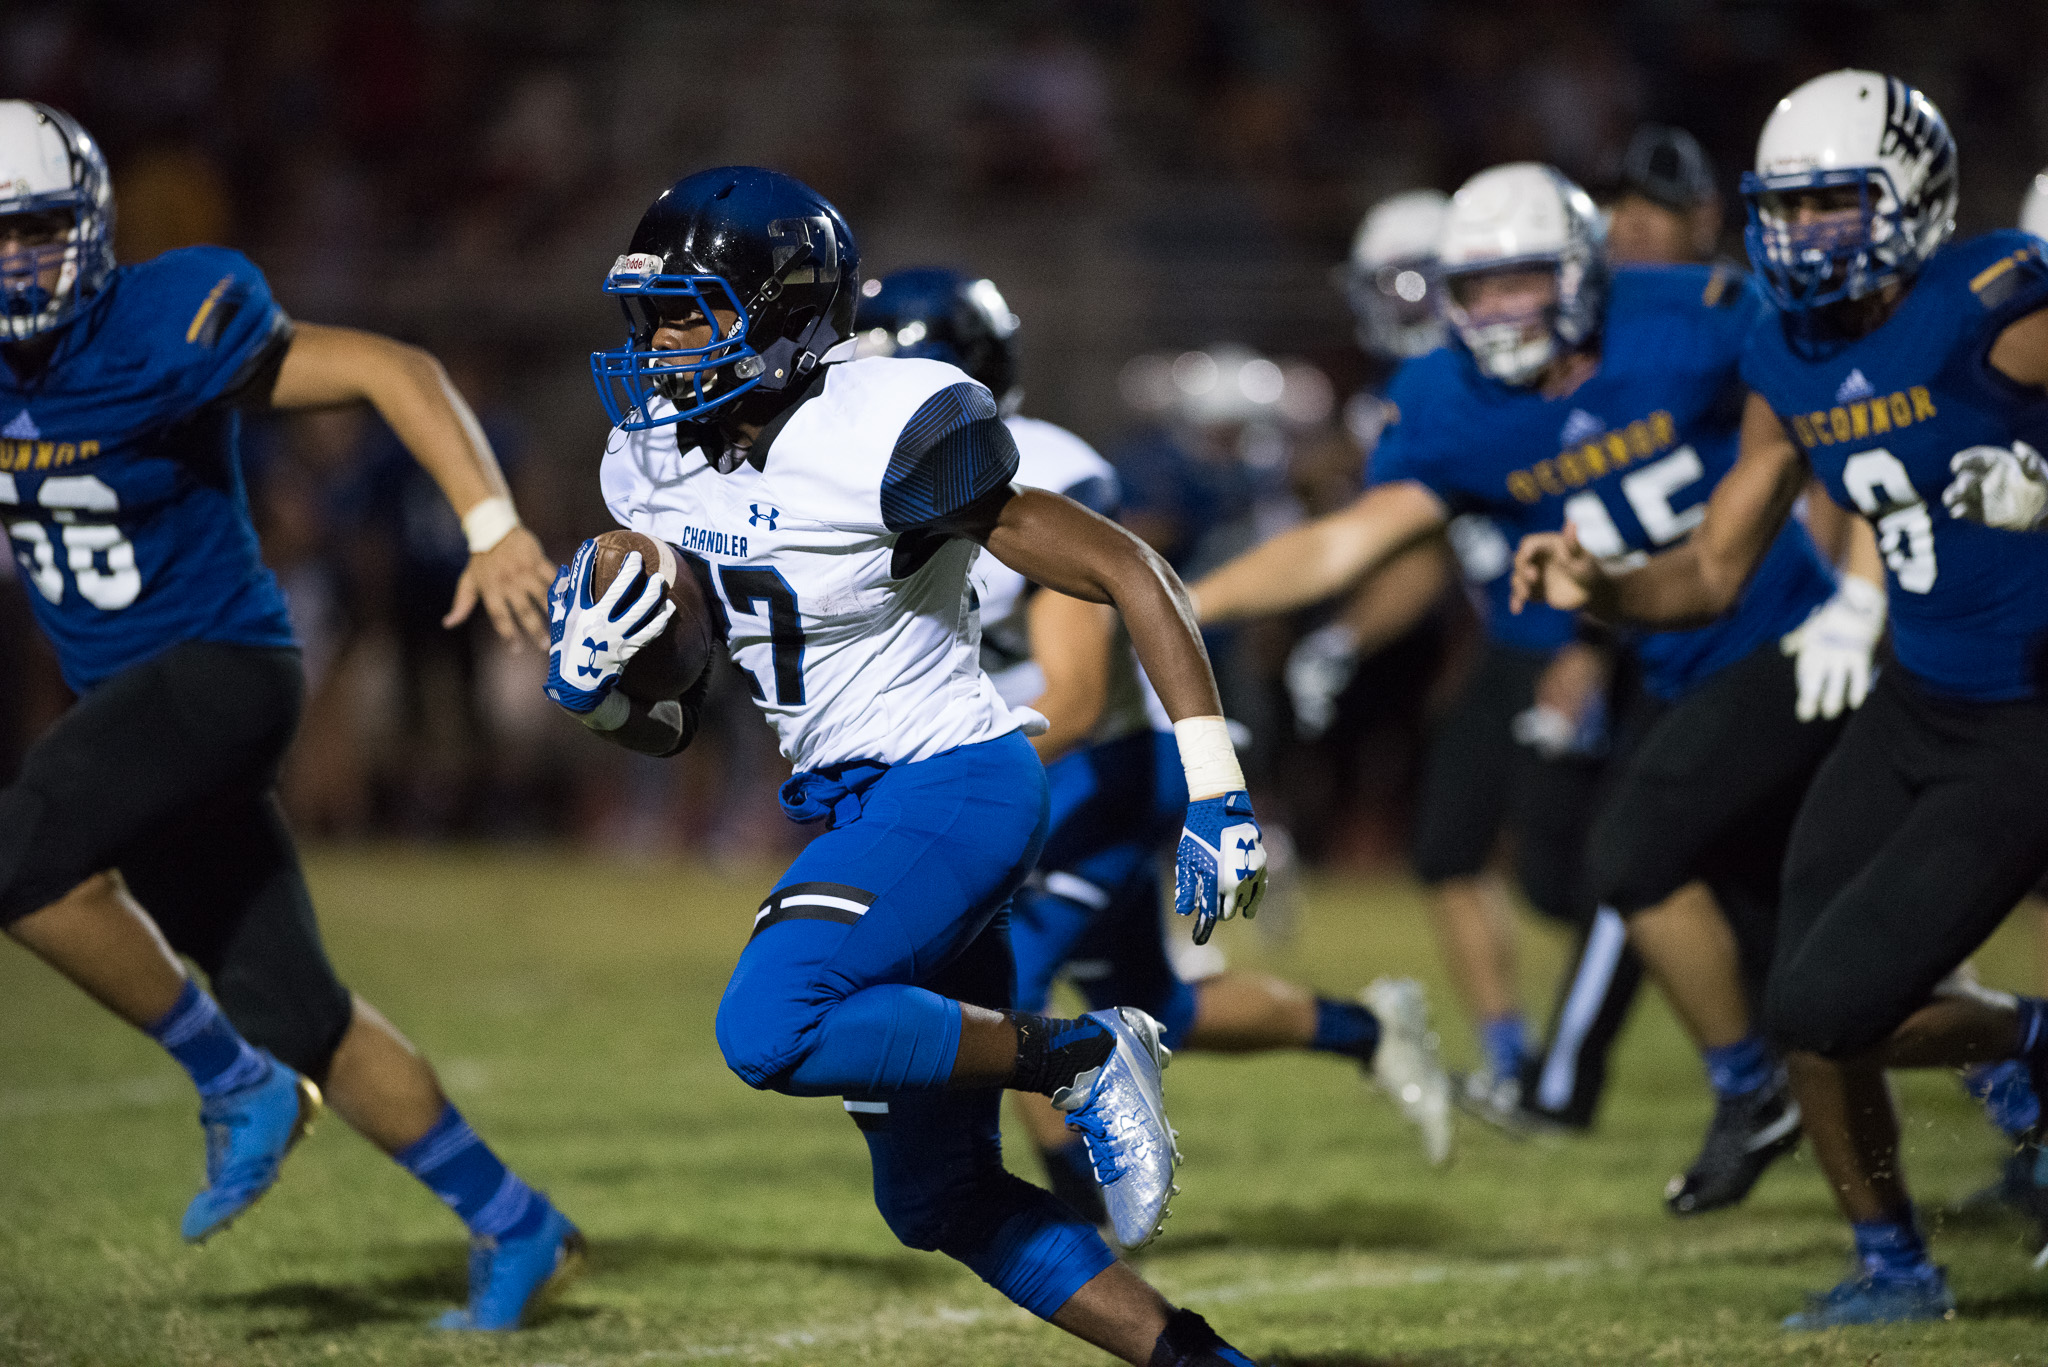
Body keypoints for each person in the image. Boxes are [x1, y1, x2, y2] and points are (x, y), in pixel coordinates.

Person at [558, 166, 1266, 1367]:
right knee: (938, 1198)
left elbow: (1130, 570)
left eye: (687, 314)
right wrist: (607, 695)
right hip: (856, 806)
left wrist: (1219, 786)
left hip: (956, 782)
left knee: (771, 1022)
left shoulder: (882, 427)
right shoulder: (651, 460)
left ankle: (1082, 1050)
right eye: (650, 316)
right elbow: (673, 721)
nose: (658, 345)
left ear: (785, 316)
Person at [1192, 161, 1886, 1213]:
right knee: (1793, 924)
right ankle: (1991, 1075)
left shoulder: (1690, 317)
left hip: (1786, 637)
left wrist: (1862, 588)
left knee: (1642, 858)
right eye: (1476, 289)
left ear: (1578, 272)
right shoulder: (1446, 400)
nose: (1500, 310)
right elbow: (1345, 543)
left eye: (1521, 280)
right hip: (1663, 664)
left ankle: (1751, 1088)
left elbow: (1846, 404)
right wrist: (1180, 597)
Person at [0, 101, 577, 1330]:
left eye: (35, 230)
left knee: (20, 853)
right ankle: (514, 1217)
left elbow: (391, 368)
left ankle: (229, 1080)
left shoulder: (162, 321)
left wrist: (492, 525)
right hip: (135, 711)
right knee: (298, 1009)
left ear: (89, 227)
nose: (13, 260)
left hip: (220, 674)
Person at [1512, 70, 2048, 1326]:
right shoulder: (1782, 350)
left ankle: (2026, 1041)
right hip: (1914, 701)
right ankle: (1893, 1264)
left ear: (1911, 195)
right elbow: (1708, 570)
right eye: (1785, 208)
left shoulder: (1993, 302)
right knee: (1797, 998)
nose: (1801, 235)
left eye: (1830, 204)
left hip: (2025, 716)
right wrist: (1601, 587)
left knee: (1828, 1005)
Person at [853, 265, 1454, 1228]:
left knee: (1002, 982)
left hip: (1098, 760)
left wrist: (925, 788)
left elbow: (1078, 696)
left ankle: (1081, 1220)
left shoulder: (1040, 468)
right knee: (1159, 1001)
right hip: (1025, 758)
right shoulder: (855, 476)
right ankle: (1369, 1028)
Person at [1298, 187, 1610, 1117]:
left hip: (1605, 639)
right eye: (1386, 285)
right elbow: (1425, 551)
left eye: (1418, 282)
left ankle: (1763, 1039)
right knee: (1448, 847)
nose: (1402, 306)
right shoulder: (1420, 391)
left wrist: (1595, 651)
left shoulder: (1538, 377)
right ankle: (1512, 1058)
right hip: (1513, 643)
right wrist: (1345, 635)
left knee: (1593, 876)